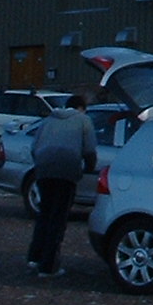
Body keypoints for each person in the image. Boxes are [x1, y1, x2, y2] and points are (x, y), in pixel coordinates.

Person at [25, 92, 98, 278]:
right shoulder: (84, 121)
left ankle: (34, 257)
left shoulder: (48, 120)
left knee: (45, 214)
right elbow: (90, 150)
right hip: (66, 171)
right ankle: (48, 266)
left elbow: (34, 147)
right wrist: (88, 168)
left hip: (44, 170)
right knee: (58, 218)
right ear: (81, 108)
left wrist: (41, 165)